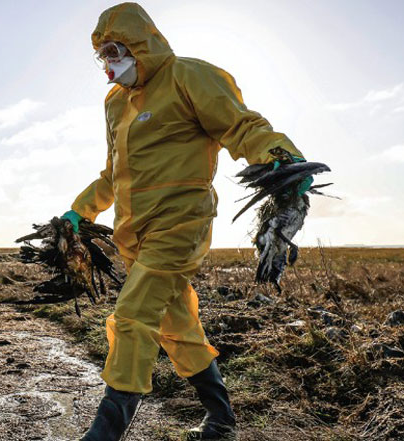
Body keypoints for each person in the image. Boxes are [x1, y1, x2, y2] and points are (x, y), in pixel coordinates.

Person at [63, 3, 307, 440]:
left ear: (143, 45)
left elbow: (243, 127)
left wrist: (281, 161)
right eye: (103, 55)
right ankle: (221, 420)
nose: (109, 63)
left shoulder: (189, 76)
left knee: (133, 316)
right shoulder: (115, 104)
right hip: (134, 235)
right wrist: (78, 214)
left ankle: (104, 435)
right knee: (178, 326)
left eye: (117, 50)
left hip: (181, 224)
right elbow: (111, 174)